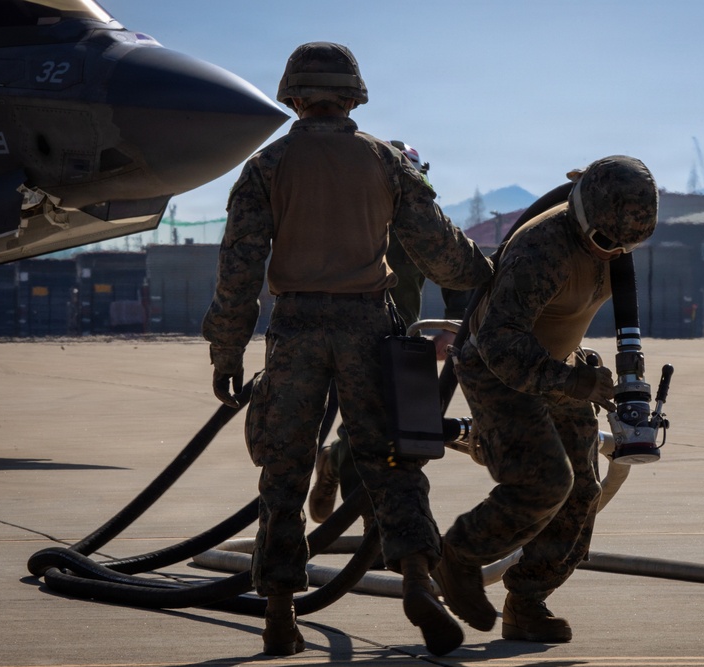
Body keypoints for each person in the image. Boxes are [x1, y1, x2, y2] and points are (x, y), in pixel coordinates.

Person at [201, 42, 492, 657]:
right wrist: (488, 273)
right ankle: (417, 582)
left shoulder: (267, 166)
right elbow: (438, 247)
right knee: (393, 462)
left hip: (297, 328)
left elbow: (238, 271)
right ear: (355, 97)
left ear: (295, 99)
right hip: (371, 328)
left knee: (284, 471)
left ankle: (280, 615)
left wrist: (227, 352)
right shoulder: (386, 163)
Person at [432, 155, 658, 643]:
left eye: (628, 245)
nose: (613, 253)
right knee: (544, 483)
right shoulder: (542, 250)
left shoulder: (611, 237)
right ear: (581, 219)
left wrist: (584, 374)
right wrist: (574, 384)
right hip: (499, 371)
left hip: (557, 367)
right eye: (603, 242)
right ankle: (459, 554)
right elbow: (497, 342)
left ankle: (527, 602)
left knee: (581, 493)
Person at [308, 140, 470, 525]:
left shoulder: (423, 221)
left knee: (385, 432)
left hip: (398, 340)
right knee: (364, 428)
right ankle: (364, 521)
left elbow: (456, 267)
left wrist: (453, 326)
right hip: (339, 335)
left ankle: (340, 475)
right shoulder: (344, 215)